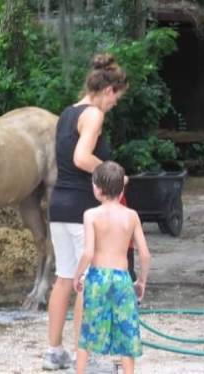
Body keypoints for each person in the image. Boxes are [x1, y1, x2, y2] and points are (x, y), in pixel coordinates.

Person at [43, 53, 129, 370]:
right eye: (117, 97)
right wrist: (113, 175)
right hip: (82, 209)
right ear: (108, 91)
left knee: (65, 278)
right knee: (87, 283)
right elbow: (81, 157)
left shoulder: (68, 113)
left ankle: (54, 352)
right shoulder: (93, 114)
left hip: (59, 208)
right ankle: (86, 358)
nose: (115, 104)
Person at [73, 161, 151, 374]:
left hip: (97, 277)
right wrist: (141, 281)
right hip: (122, 278)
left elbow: (88, 252)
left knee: (88, 332)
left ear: (97, 188)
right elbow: (144, 254)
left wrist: (77, 275)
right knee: (126, 332)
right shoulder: (131, 215)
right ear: (122, 188)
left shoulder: (90, 215)